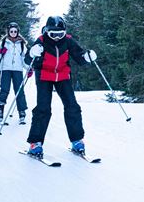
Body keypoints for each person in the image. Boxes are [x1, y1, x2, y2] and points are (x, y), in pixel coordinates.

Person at [24, 16, 97, 157]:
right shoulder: (41, 41)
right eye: (53, 34)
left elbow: (79, 56)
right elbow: (29, 59)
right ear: (47, 31)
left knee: (72, 106)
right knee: (43, 108)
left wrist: (87, 57)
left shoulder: (68, 40)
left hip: (63, 76)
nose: (57, 38)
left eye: (60, 34)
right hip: (44, 76)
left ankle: (77, 140)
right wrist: (33, 53)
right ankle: (35, 143)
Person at [0, 22, 29, 123]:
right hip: (5, 69)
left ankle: (22, 111)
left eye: (15, 31)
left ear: (18, 32)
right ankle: (0, 110)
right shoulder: (4, 42)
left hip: (18, 70)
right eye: (11, 31)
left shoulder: (22, 44)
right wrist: (0, 51)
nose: (13, 33)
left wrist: (29, 68)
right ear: (8, 31)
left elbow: (24, 58)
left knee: (19, 91)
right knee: (4, 90)